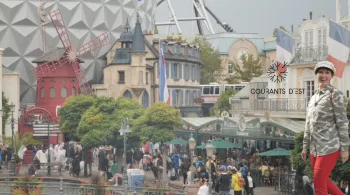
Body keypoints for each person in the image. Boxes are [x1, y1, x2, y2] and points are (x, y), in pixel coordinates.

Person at [301, 61, 350, 195]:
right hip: (314, 149)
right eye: (321, 72)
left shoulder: (335, 94)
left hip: (329, 146)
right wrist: (305, 147)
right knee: (323, 180)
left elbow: (342, 123)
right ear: (316, 74)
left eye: (327, 72)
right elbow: (308, 124)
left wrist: (345, 148)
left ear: (331, 75)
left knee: (318, 182)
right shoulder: (312, 98)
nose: (323, 75)